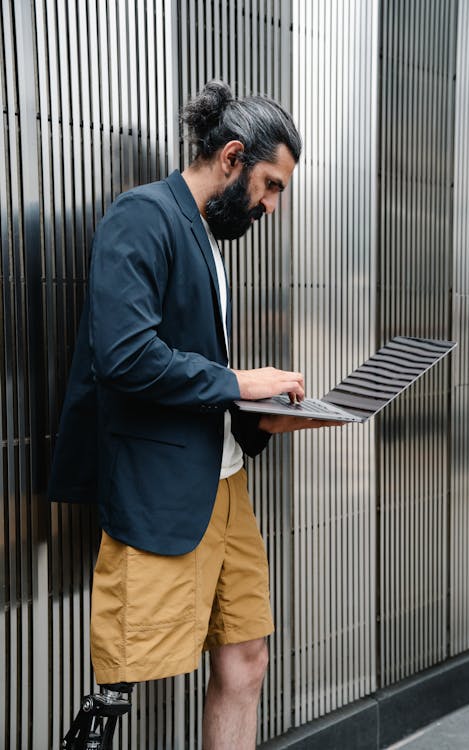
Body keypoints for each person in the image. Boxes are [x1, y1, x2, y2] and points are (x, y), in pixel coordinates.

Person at [49, 80, 340, 749]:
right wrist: (241, 379)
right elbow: (123, 356)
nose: (270, 206)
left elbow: (192, 374)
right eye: (271, 185)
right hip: (160, 486)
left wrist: (259, 418)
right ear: (232, 157)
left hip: (226, 484)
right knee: (117, 690)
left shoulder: (207, 239)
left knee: (246, 659)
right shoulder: (141, 216)